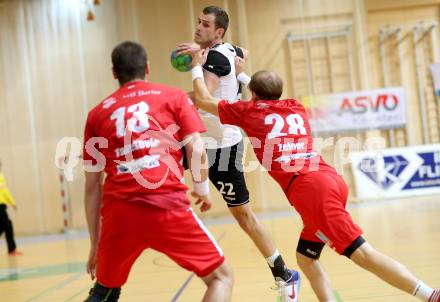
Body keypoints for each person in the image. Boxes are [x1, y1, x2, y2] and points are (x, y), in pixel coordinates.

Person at [187, 49, 440, 302]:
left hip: (312, 193)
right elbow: (268, 93)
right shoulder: (295, 107)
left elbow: (202, 98)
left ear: (252, 94)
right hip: (330, 179)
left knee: (363, 254)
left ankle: (429, 295)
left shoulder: (249, 112)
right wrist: (244, 76)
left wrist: (197, 66)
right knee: (306, 258)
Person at [82, 41, 233, 302]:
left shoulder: (96, 115)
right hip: (166, 205)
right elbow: (196, 148)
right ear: (148, 68)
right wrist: (201, 189)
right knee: (221, 277)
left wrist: (95, 244)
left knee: (105, 292)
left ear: (114, 73)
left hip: (119, 215)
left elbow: (91, 186)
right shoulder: (173, 96)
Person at [176, 6, 300, 297]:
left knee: (244, 216)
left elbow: (202, 96)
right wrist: (204, 49)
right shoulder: (227, 50)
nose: (198, 27)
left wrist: (195, 64)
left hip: (221, 147)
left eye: (205, 25)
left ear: (218, 31)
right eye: (198, 22)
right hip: (199, 140)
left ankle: (283, 274)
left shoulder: (215, 59)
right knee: (161, 176)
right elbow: (239, 49)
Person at [0, 160, 22, 256]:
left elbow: (5, 192)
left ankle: (11, 249)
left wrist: (12, 203)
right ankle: (11, 250)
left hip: (2, 205)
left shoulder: (1, 177)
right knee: (7, 225)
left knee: (4, 226)